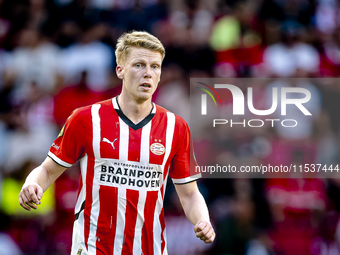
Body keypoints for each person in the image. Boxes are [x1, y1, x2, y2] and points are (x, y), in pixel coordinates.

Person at [18, 31, 215, 254]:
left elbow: (189, 194)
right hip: (93, 247)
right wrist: (33, 184)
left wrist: (203, 220)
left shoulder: (176, 127)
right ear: (120, 70)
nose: (148, 74)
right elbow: (47, 170)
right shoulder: (86, 119)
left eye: (155, 67)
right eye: (139, 65)